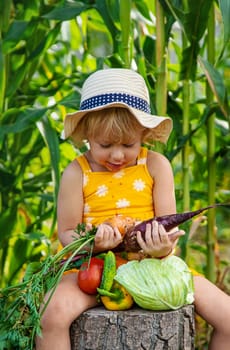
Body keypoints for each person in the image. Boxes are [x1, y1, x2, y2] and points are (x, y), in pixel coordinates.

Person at [36, 68, 230, 350]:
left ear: (145, 132)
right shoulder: (76, 173)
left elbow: (168, 230)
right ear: (87, 133)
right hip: (93, 269)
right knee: (50, 315)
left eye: (129, 144)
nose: (117, 155)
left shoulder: (155, 166)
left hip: (152, 266)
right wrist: (93, 244)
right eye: (105, 145)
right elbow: (66, 232)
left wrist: (161, 249)